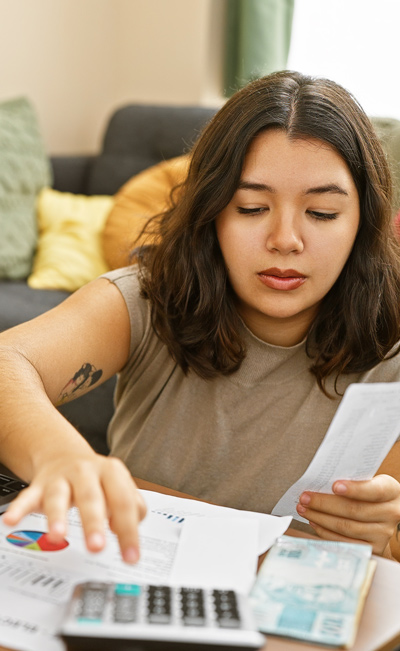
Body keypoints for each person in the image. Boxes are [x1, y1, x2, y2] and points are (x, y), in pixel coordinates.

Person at [1, 71, 400, 564]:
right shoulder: (147, 299)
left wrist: (382, 537)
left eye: (321, 213)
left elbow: (381, 550)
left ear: (364, 222)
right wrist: (63, 457)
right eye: (251, 207)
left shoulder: (392, 351)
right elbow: (7, 363)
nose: (286, 239)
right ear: (212, 212)